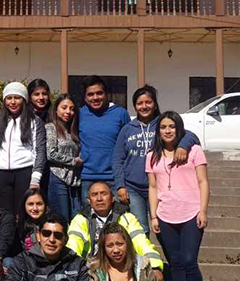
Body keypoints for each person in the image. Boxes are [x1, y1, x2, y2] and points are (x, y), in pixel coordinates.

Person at [147, 112, 209, 281]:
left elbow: (203, 182)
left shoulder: (194, 151)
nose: (167, 131)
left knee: (189, 259)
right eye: (163, 127)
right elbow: (153, 187)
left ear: (179, 128)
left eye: (172, 126)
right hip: (165, 215)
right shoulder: (152, 156)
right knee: (175, 261)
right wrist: (154, 216)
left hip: (191, 213)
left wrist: (203, 210)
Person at [114, 86, 199, 234]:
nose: (144, 106)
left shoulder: (163, 124)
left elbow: (191, 136)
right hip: (134, 189)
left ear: (155, 104)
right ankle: (143, 257)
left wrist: (183, 146)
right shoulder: (127, 129)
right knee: (141, 229)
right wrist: (120, 185)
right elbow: (117, 159)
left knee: (162, 227)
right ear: (134, 106)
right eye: (140, 103)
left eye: (148, 102)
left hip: (160, 187)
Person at [68, 182, 165, 280]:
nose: (99, 199)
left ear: (112, 198)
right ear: (89, 200)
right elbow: (73, 245)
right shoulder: (80, 219)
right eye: (94, 195)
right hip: (92, 268)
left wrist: (155, 267)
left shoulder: (126, 217)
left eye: (104, 194)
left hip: (122, 266)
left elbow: (142, 243)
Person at [0, 82, 46, 214]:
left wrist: (35, 178)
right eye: (9, 98)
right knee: (3, 215)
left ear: (24, 99)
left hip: (25, 172)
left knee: (23, 213)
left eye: (17, 98)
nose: (12, 102)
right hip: (0, 174)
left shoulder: (35, 121)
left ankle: (24, 236)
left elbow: (40, 150)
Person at [78, 76, 130, 206]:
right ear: (85, 98)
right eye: (90, 94)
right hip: (87, 178)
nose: (95, 97)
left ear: (106, 94)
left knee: (117, 222)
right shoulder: (78, 114)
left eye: (99, 93)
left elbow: (128, 145)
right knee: (89, 222)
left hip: (114, 179)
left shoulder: (120, 114)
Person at [46, 93, 82, 220]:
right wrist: (73, 161)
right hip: (58, 178)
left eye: (72, 109)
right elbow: (50, 154)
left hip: (75, 181)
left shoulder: (74, 130)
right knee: (62, 219)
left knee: (77, 219)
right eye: (64, 107)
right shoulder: (51, 128)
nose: (68, 111)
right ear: (56, 110)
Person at [17, 188, 48, 254]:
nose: (35, 208)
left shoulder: (52, 225)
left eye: (39, 204)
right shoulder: (18, 225)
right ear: (24, 205)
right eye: (30, 204)